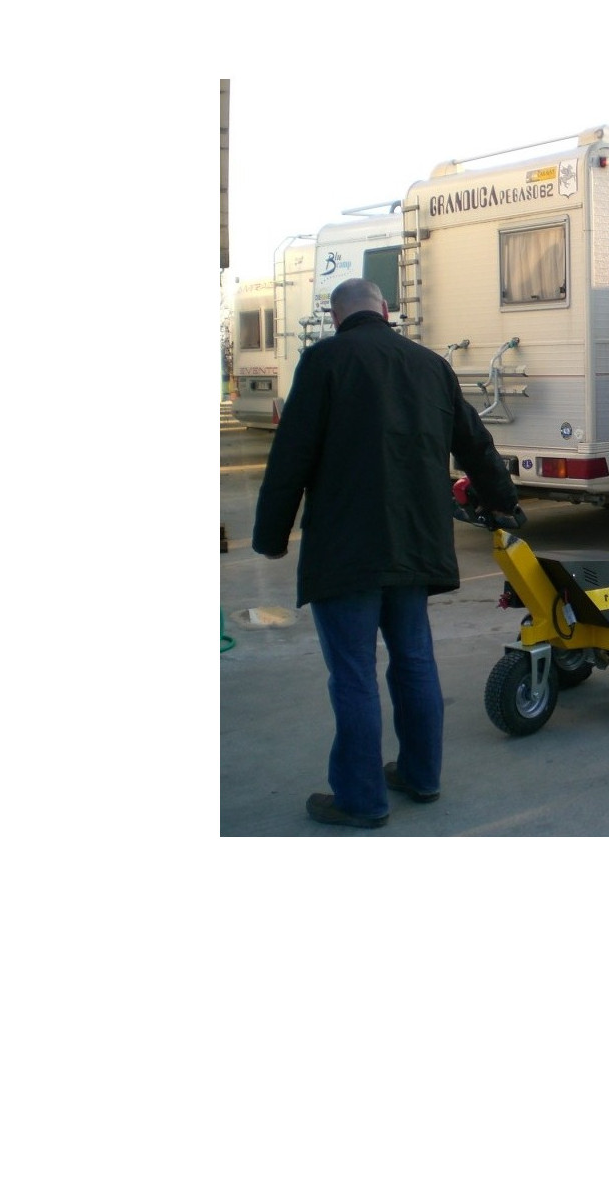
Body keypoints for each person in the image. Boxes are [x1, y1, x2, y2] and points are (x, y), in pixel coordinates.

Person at [251, 277, 521, 829]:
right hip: (414, 545)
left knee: (353, 674)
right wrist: (504, 503)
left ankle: (361, 799)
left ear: (336, 318)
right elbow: (475, 444)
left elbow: (291, 456)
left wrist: (271, 537)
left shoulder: (324, 362)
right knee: (414, 660)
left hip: (345, 550)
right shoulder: (431, 366)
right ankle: (422, 776)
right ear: (386, 312)